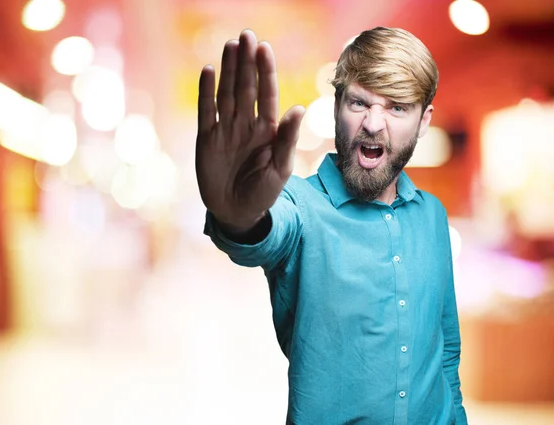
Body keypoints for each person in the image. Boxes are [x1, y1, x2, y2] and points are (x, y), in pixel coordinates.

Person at [196, 26, 467, 425]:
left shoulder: (433, 216)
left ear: (424, 120)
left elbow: (446, 355)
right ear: (337, 104)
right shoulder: (299, 206)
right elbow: (261, 232)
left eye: (396, 108)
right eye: (359, 102)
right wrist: (237, 215)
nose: (374, 124)